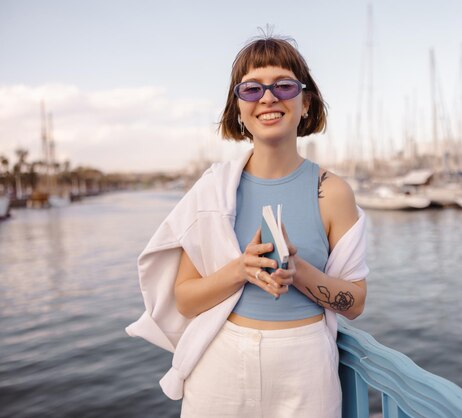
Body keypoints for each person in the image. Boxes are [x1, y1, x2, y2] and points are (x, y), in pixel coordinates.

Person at [126, 35, 369, 418]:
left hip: (306, 367)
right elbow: (186, 299)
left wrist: (297, 270)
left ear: (305, 103)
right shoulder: (213, 190)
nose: (268, 98)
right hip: (221, 364)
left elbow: (354, 302)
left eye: (284, 85)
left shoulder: (333, 192)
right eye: (252, 88)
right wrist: (241, 269)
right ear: (238, 109)